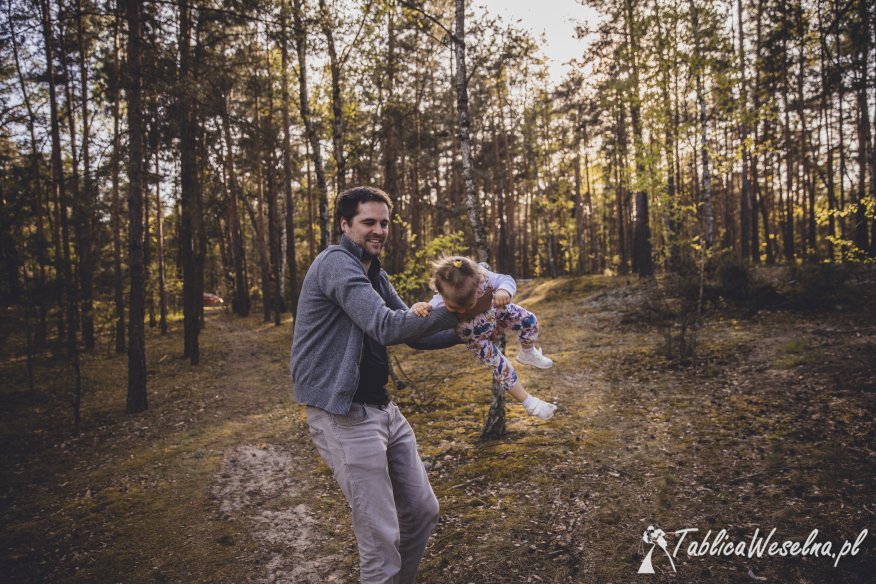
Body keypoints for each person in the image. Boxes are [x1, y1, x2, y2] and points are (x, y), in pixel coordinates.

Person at [290, 186, 488, 584]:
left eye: (384, 222)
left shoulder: (374, 274)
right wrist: (454, 308)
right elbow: (385, 325)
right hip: (343, 416)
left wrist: (473, 331)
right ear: (345, 224)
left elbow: (413, 334)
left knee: (421, 511)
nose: (378, 230)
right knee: (381, 537)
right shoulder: (336, 264)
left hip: (382, 409)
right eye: (368, 222)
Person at [411, 255, 557, 420]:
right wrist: (418, 306)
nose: (461, 311)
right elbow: (423, 311)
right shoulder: (441, 297)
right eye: (454, 307)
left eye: (467, 305)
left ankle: (528, 352)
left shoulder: (483, 278)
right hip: (476, 339)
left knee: (529, 320)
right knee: (501, 368)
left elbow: (505, 279)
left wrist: (504, 290)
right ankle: (530, 403)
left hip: (494, 311)